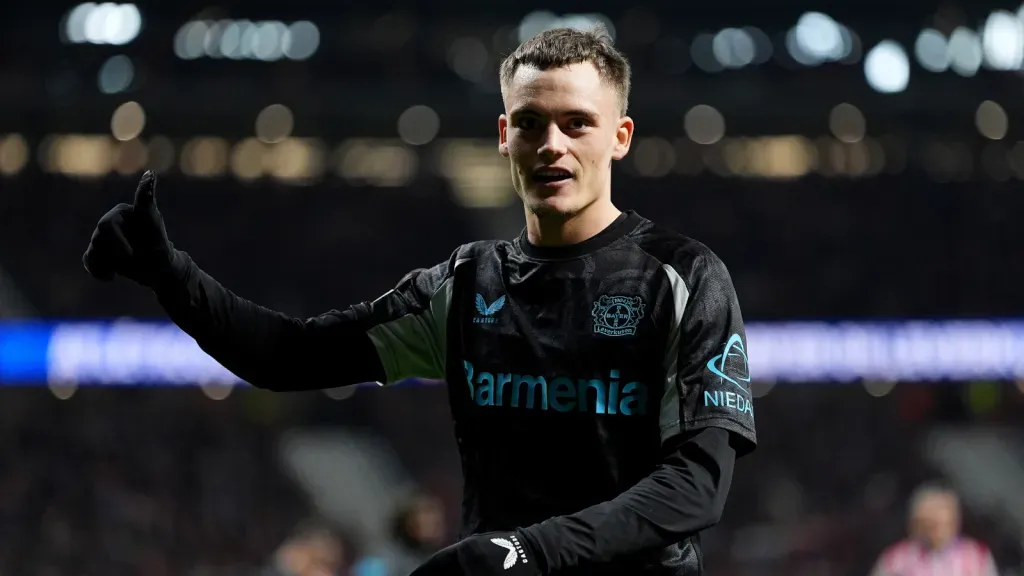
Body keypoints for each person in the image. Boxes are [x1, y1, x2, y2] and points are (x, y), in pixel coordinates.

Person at [83, 24, 756, 576]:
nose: (552, 144)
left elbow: (696, 485)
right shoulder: (465, 286)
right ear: (505, 136)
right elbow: (286, 357)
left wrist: (529, 550)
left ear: (620, 137)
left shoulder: (683, 277)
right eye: (531, 123)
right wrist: (171, 275)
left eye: (577, 123)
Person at [869, 483, 999, 576]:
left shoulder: (976, 557)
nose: (936, 531)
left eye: (942, 523)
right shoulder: (896, 559)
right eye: (930, 524)